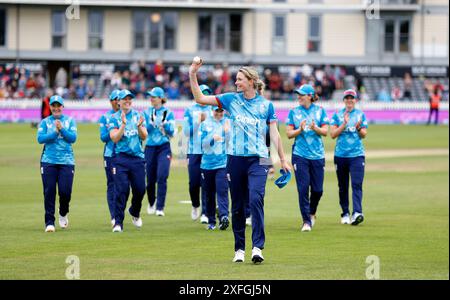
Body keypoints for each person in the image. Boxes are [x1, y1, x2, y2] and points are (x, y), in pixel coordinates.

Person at [189, 60, 291, 264]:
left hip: (260, 159)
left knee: (255, 199)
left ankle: (257, 248)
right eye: (236, 79)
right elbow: (200, 98)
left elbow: (274, 134)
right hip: (235, 159)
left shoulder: (266, 105)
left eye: (240, 79)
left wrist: (282, 159)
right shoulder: (229, 100)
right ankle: (239, 249)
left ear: (251, 81)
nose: (236, 82)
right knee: (237, 206)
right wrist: (193, 73)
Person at [286, 84, 329, 232]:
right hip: (300, 155)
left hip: (317, 155)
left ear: (310, 96)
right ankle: (306, 221)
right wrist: (300, 129)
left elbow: (325, 131)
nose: (299, 97)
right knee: (303, 189)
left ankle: (312, 213)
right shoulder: (294, 112)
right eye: (298, 94)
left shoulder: (320, 111)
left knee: (318, 190)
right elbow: (288, 134)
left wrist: (314, 128)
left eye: (302, 94)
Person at [109, 89, 148, 232]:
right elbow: (114, 138)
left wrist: (138, 126)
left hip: (137, 158)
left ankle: (135, 211)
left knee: (140, 189)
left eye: (129, 98)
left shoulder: (138, 115)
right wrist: (123, 125)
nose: (127, 101)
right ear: (118, 101)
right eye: (124, 99)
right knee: (122, 190)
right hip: (121, 158)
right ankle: (118, 223)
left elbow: (144, 136)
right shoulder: (114, 118)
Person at [37, 95, 77, 232]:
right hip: (48, 161)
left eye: (58, 105)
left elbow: (73, 138)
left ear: (62, 107)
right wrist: (55, 132)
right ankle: (49, 222)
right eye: (53, 105)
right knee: (49, 192)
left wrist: (62, 129)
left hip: (67, 162)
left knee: (65, 192)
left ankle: (63, 212)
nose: (56, 108)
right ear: (50, 107)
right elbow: (40, 139)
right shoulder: (45, 122)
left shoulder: (70, 121)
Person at [330, 89, 368, 225]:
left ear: (355, 100)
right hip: (340, 155)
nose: (349, 100)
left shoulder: (360, 115)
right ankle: (345, 213)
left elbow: (364, 134)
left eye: (352, 98)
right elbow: (332, 134)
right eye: (347, 98)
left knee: (357, 184)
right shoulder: (338, 115)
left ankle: (357, 212)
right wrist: (344, 124)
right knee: (343, 186)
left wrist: (358, 128)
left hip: (357, 155)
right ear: (344, 100)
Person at [183, 84, 213, 223]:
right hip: (194, 150)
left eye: (206, 93)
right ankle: (196, 205)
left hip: (209, 151)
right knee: (194, 182)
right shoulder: (189, 110)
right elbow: (186, 132)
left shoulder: (213, 110)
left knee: (207, 182)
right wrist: (198, 122)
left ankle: (206, 213)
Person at [143, 87, 175, 217]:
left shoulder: (168, 113)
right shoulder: (146, 112)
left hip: (164, 147)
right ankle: (151, 202)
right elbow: (145, 132)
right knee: (150, 179)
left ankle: (160, 207)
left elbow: (172, 132)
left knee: (162, 176)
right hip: (150, 147)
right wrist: (151, 124)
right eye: (150, 96)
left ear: (161, 98)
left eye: (154, 96)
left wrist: (165, 125)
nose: (151, 99)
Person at [199, 106, 230, 230]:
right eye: (217, 111)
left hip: (222, 164)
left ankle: (224, 217)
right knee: (209, 193)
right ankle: (211, 221)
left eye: (221, 111)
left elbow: (232, 142)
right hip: (207, 164)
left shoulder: (228, 123)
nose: (219, 113)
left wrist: (227, 132)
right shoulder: (205, 124)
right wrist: (213, 138)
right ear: (213, 111)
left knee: (222, 191)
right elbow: (203, 144)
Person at [98, 89, 121, 226]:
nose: (117, 102)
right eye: (115, 99)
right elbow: (103, 137)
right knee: (112, 184)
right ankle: (114, 215)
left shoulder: (127, 116)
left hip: (126, 154)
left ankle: (123, 210)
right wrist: (114, 131)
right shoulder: (105, 117)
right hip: (110, 154)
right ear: (111, 101)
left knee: (125, 185)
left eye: (119, 99)